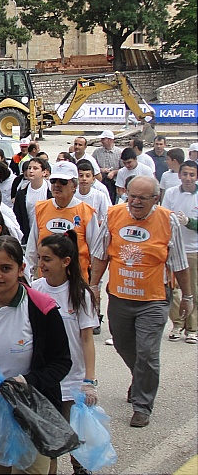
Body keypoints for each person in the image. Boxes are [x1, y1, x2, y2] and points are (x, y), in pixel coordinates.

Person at [0, 237, 72, 475]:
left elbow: (61, 361)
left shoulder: (42, 308)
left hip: (32, 414)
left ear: (21, 269)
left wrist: (27, 382)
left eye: (6, 268)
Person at [90, 176, 192, 427]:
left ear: (155, 199)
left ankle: (142, 405)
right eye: (131, 196)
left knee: (147, 352)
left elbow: (179, 263)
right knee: (124, 345)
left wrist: (188, 297)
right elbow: (101, 254)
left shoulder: (167, 220)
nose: (134, 202)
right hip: (120, 296)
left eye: (141, 198)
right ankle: (140, 377)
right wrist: (93, 286)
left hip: (154, 299)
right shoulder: (114, 214)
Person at [32, 232, 99, 475]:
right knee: (49, 439)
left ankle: (80, 468)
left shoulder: (80, 294)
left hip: (73, 380)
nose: (42, 264)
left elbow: (87, 339)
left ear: (66, 261)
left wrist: (89, 381)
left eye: (48, 259)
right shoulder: (36, 290)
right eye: (40, 258)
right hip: (46, 379)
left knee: (75, 438)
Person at [24, 161, 101, 283]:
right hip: (46, 282)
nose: (57, 185)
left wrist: (95, 285)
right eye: (54, 181)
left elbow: (96, 253)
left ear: (74, 186)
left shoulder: (86, 212)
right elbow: (32, 248)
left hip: (76, 283)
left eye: (63, 182)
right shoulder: (41, 208)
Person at [162, 160, 198, 344]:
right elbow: (163, 216)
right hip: (172, 248)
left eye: (192, 175)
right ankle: (177, 323)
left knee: (191, 290)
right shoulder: (171, 193)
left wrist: (189, 222)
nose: (188, 178)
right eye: (185, 174)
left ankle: (192, 328)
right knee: (170, 290)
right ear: (179, 175)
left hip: (193, 250)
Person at [12, 157, 52, 243]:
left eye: (35, 168)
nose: (31, 171)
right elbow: (17, 215)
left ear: (44, 172)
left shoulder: (51, 191)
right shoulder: (22, 192)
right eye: (29, 168)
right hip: (29, 235)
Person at [74, 160, 110, 226]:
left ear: (93, 179)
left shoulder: (100, 196)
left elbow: (107, 216)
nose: (84, 179)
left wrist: (97, 224)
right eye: (81, 176)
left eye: (87, 176)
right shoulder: (72, 195)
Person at [93, 130, 122, 204]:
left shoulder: (119, 152)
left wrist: (114, 172)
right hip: (101, 181)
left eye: (103, 139)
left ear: (109, 140)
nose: (101, 141)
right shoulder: (97, 152)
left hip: (114, 183)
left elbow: (124, 168)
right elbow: (92, 167)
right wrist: (100, 170)